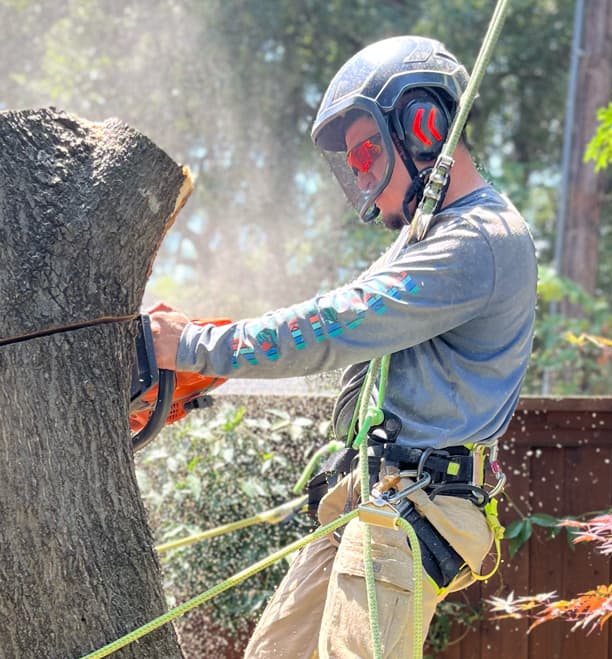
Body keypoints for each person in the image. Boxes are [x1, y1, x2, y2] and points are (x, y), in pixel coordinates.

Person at [150, 35, 537, 658]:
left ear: (423, 124)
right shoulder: (423, 235)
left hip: (415, 509)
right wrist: (206, 371)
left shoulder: (480, 239)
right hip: (371, 494)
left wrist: (195, 345)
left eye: (365, 151)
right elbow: (346, 334)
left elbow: (338, 324)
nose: (358, 171)